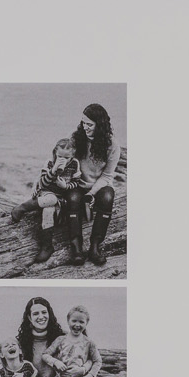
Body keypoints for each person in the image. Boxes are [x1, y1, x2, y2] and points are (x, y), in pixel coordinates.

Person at [8, 135, 87, 264]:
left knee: (48, 210)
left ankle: (47, 246)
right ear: (55, 152)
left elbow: (76, 183)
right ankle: (23, 208)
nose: (63, 160)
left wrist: (66, 186)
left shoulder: (74, 164)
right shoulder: (49, 163)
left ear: (72, 156)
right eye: (60, 157)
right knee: (50, 199)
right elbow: (43, 183)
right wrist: (54, 169)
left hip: (60, 198)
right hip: (46, 193)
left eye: (67, 158)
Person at [66, 103, 121, 266]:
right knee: (73, 198)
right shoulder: (76, 138)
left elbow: (107, 175)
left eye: (89, 124)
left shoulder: (112, 145)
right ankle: (76, 247)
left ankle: (95, 247)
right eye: (83, 123)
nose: (85, 127)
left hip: (99, 185)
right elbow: (64, 162)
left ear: (100, 125)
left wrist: (91, 194)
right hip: (77, 184)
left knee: (107, 197)